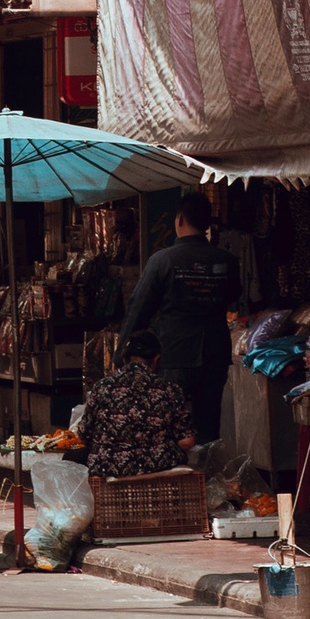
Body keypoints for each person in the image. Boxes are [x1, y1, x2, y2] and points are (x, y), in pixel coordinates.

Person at [122, 195, 241, 433]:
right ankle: (206, 469)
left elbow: (139, 308)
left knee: (168, 423)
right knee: (208, 424)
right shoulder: (227, 261)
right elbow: (234, 296)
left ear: (179, 220)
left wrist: (122, 352)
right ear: (207, 224)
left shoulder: (162, 260)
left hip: (175, 352)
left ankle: (178, 469)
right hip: (215, 352)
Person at [78, 337, 198, 481]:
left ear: (124, 359)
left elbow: (84, 433)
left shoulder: (102, 387)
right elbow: (187, 442)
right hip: (159, 466)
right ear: (157, 359)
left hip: (109, 467)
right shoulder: (169, 389)